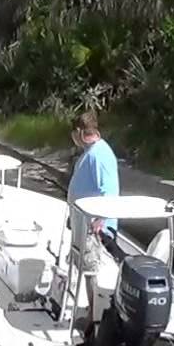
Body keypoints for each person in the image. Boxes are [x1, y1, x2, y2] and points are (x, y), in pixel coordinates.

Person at [66, 110, 120, 327]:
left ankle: (92, 319)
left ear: (79, 132)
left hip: (93, 227)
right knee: (86, 269)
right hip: (82, 223)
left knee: (91, 270)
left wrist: (99, 219)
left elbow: (109, 191)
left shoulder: (99, 154)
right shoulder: (90, 153)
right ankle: (91, 311)